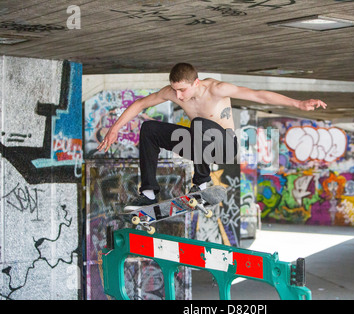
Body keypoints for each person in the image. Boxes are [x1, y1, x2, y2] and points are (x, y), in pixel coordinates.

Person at [97, 63, 326, 210]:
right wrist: (115, 128)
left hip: (224, 146)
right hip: (198, 144)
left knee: (199, 123)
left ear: (196, 83)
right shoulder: (173, 93)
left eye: (183, 90)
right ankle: (148, 192)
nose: (178, 96)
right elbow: (141, 104)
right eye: (175, 90)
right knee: (149, 130)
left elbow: (260, 96)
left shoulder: (217, 89)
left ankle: (202, 184)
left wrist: (297, 103)